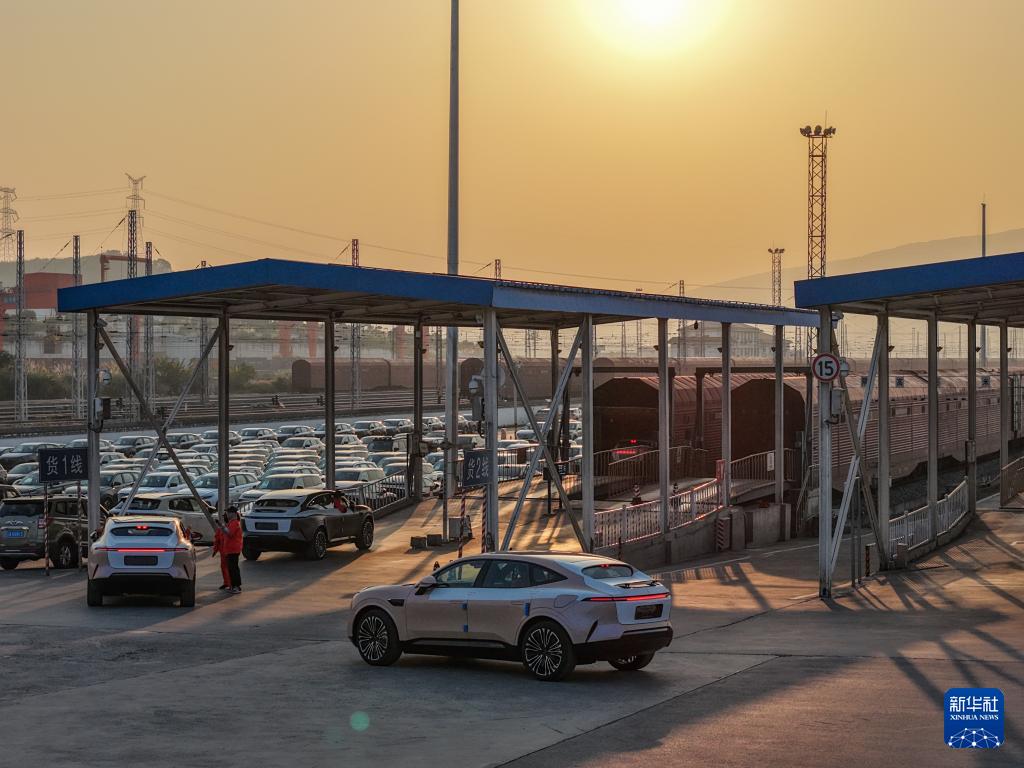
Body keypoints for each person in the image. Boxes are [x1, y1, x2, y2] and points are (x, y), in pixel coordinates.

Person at [221, 506, 244, 594]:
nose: (227, 514)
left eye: (228, 512)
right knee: (231, 568)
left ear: (233, 513)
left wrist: (223, 527)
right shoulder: (231, 523)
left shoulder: (234, 523)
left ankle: (236, 586)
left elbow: (230, 533)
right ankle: (233, 586)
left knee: (233, 568)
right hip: (230, 549)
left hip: (233, 549)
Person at [211, 524, 230, 591]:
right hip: (224, 552)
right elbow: (217, 540)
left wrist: (215, 550)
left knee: (229, 568)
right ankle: (227, 583)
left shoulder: (232, 525)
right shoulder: (221, 529)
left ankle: (230, 584)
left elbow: (217, 540)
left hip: (230, 551)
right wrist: (215, 550)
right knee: (224, 567)